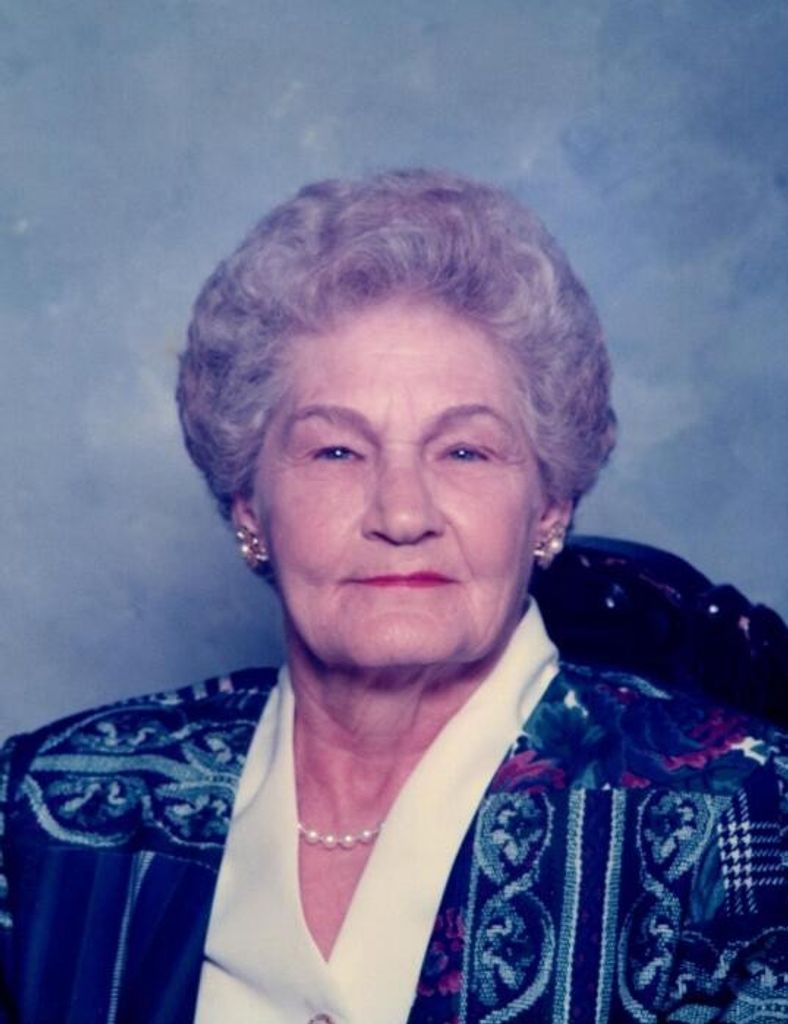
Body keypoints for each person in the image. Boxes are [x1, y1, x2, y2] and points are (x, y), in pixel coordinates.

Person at [0, 170, 785, 1024]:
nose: (402, 515)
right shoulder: (45, 805)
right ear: (249, 506)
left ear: (549, 506)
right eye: (336, 452)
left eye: (465, 452)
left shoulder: (737, 819)